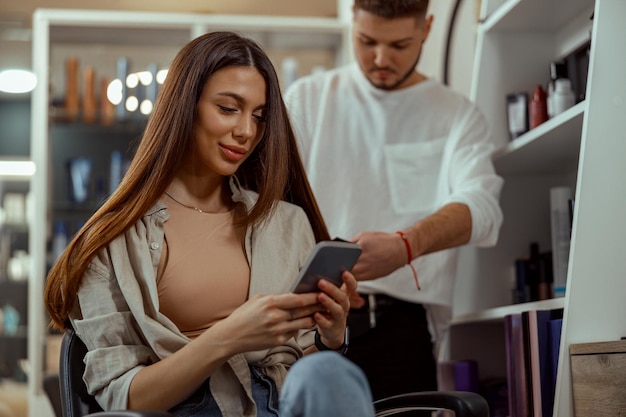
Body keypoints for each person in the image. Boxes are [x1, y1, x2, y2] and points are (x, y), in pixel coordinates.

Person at [44, 31, 376, 417]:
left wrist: (330, 338)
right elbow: (123, 398)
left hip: (281, 404)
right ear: (186, 106)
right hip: (191, 408)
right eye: (228, 108)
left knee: (327, 371)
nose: (247, 132)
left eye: (259, 116)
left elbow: (302, 370)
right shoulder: (113, 242)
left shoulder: (285, 222)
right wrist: (228, 337)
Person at [284, 0, 504, 401]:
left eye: (399, 45)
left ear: (427, 28)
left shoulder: (457, 115)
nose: (381, 58)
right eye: (367, 41)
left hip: (401, 327)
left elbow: (484, 209)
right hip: (308, 323)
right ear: (353, 21)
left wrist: (408, 245)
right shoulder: (306, 100)